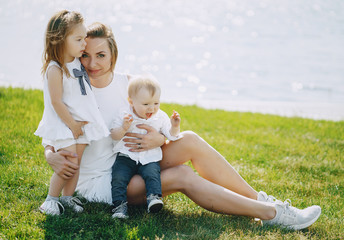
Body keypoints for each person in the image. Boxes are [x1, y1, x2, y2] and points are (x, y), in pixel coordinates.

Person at [44, 22, 321, 230]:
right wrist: (50, 154)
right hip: (108, 179)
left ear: (113, 53)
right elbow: (50, 125)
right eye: (86, 56)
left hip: (138, 155)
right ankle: (271, 215)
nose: (93, 64)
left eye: (100, 55)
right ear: (77, 54)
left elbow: (152, 116)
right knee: (181, 175)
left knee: (188, 139)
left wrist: (159, 140)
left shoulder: (128, 83)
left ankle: (261, 201)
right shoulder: (74, 86)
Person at [35, 11, 109, 216]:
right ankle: (51, 199)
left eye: (84, 38)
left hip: (81, 123)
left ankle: (67, 197)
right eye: (78, 39)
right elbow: (56, 101)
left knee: (77, 163)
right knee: (68, 161)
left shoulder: (77, 62)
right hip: (65, 124)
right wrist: (72, 125)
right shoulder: (55, 69)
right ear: (59, 40)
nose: (84, 43)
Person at [110, 75, 181, 218]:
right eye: (146, 104)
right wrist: (124, 128)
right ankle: (119, 206)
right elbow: (114, 135)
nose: (152, 108)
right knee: (119, 177)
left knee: (152, 174)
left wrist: (174, 126)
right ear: (131, 101)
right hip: (126, 155)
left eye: (156, 103)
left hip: (150, 156)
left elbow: (171, 135)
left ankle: (154, 198)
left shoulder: (160, 117)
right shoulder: (124, 114)